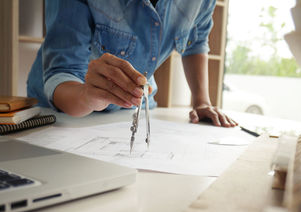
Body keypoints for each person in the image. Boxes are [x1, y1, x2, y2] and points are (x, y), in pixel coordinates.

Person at [27, 0, 237, 127]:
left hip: (132, 112)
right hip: (62, 111)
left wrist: (201, 102)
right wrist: (87, 95)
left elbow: (196, 40)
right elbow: (62, 71)